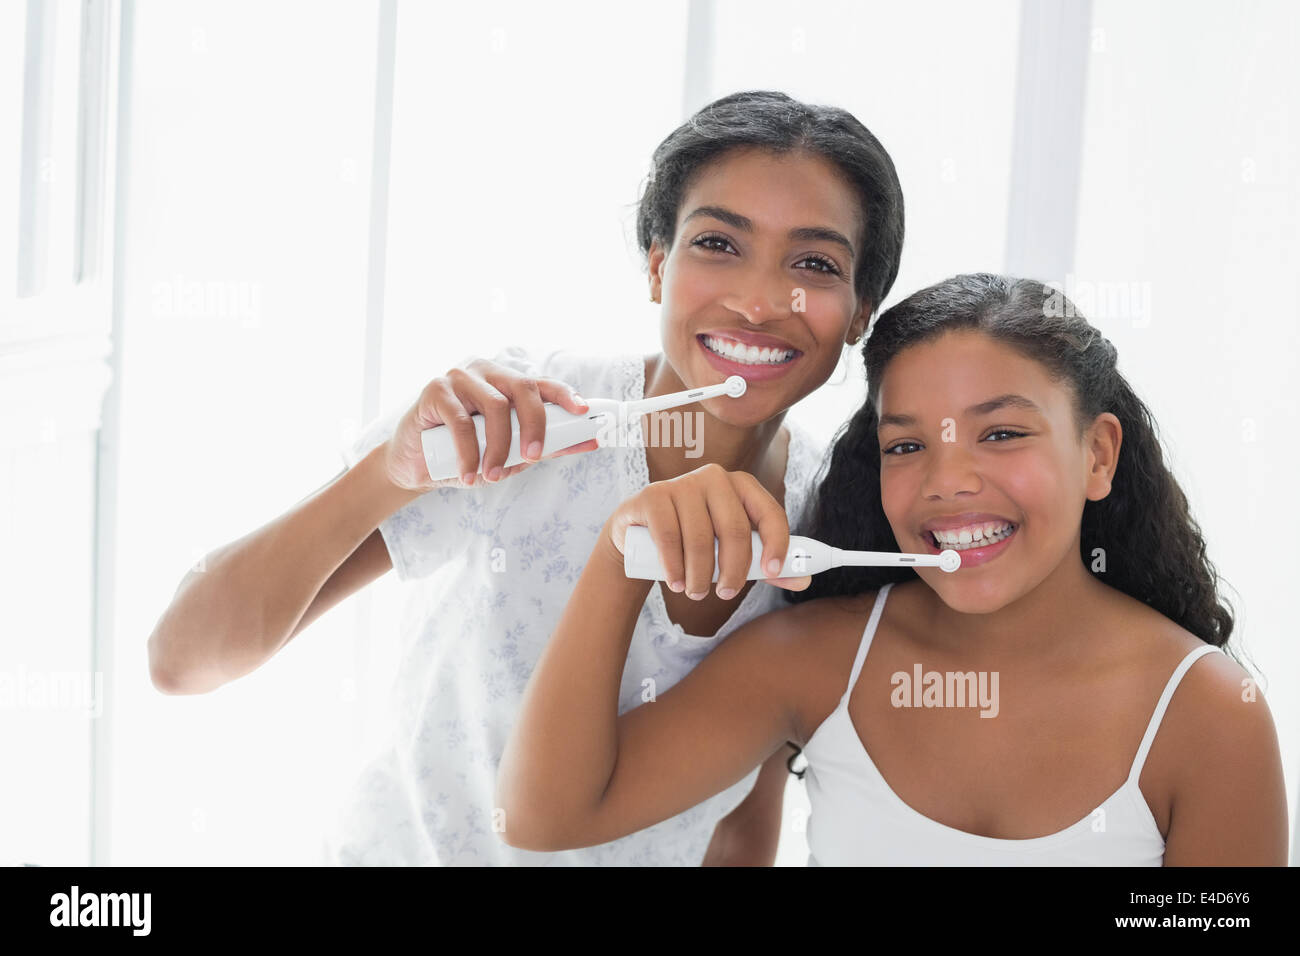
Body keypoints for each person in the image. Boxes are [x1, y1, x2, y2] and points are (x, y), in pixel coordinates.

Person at [146, 89, 906, 865]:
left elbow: (745, 814)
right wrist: (389, 472)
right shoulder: (521, 421)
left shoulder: (829, 520)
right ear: (656, 266)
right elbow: (182, 659)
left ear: (858, 315)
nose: (756, 301)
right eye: (718, 243)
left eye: (813, 263)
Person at [497, 273, 1289, 865]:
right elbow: (547, 818)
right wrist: (618, 556)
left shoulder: (1207, 714)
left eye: (1003, 434)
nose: (949, 482)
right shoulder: (815, 659)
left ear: (1097, 454)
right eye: (907, 446)